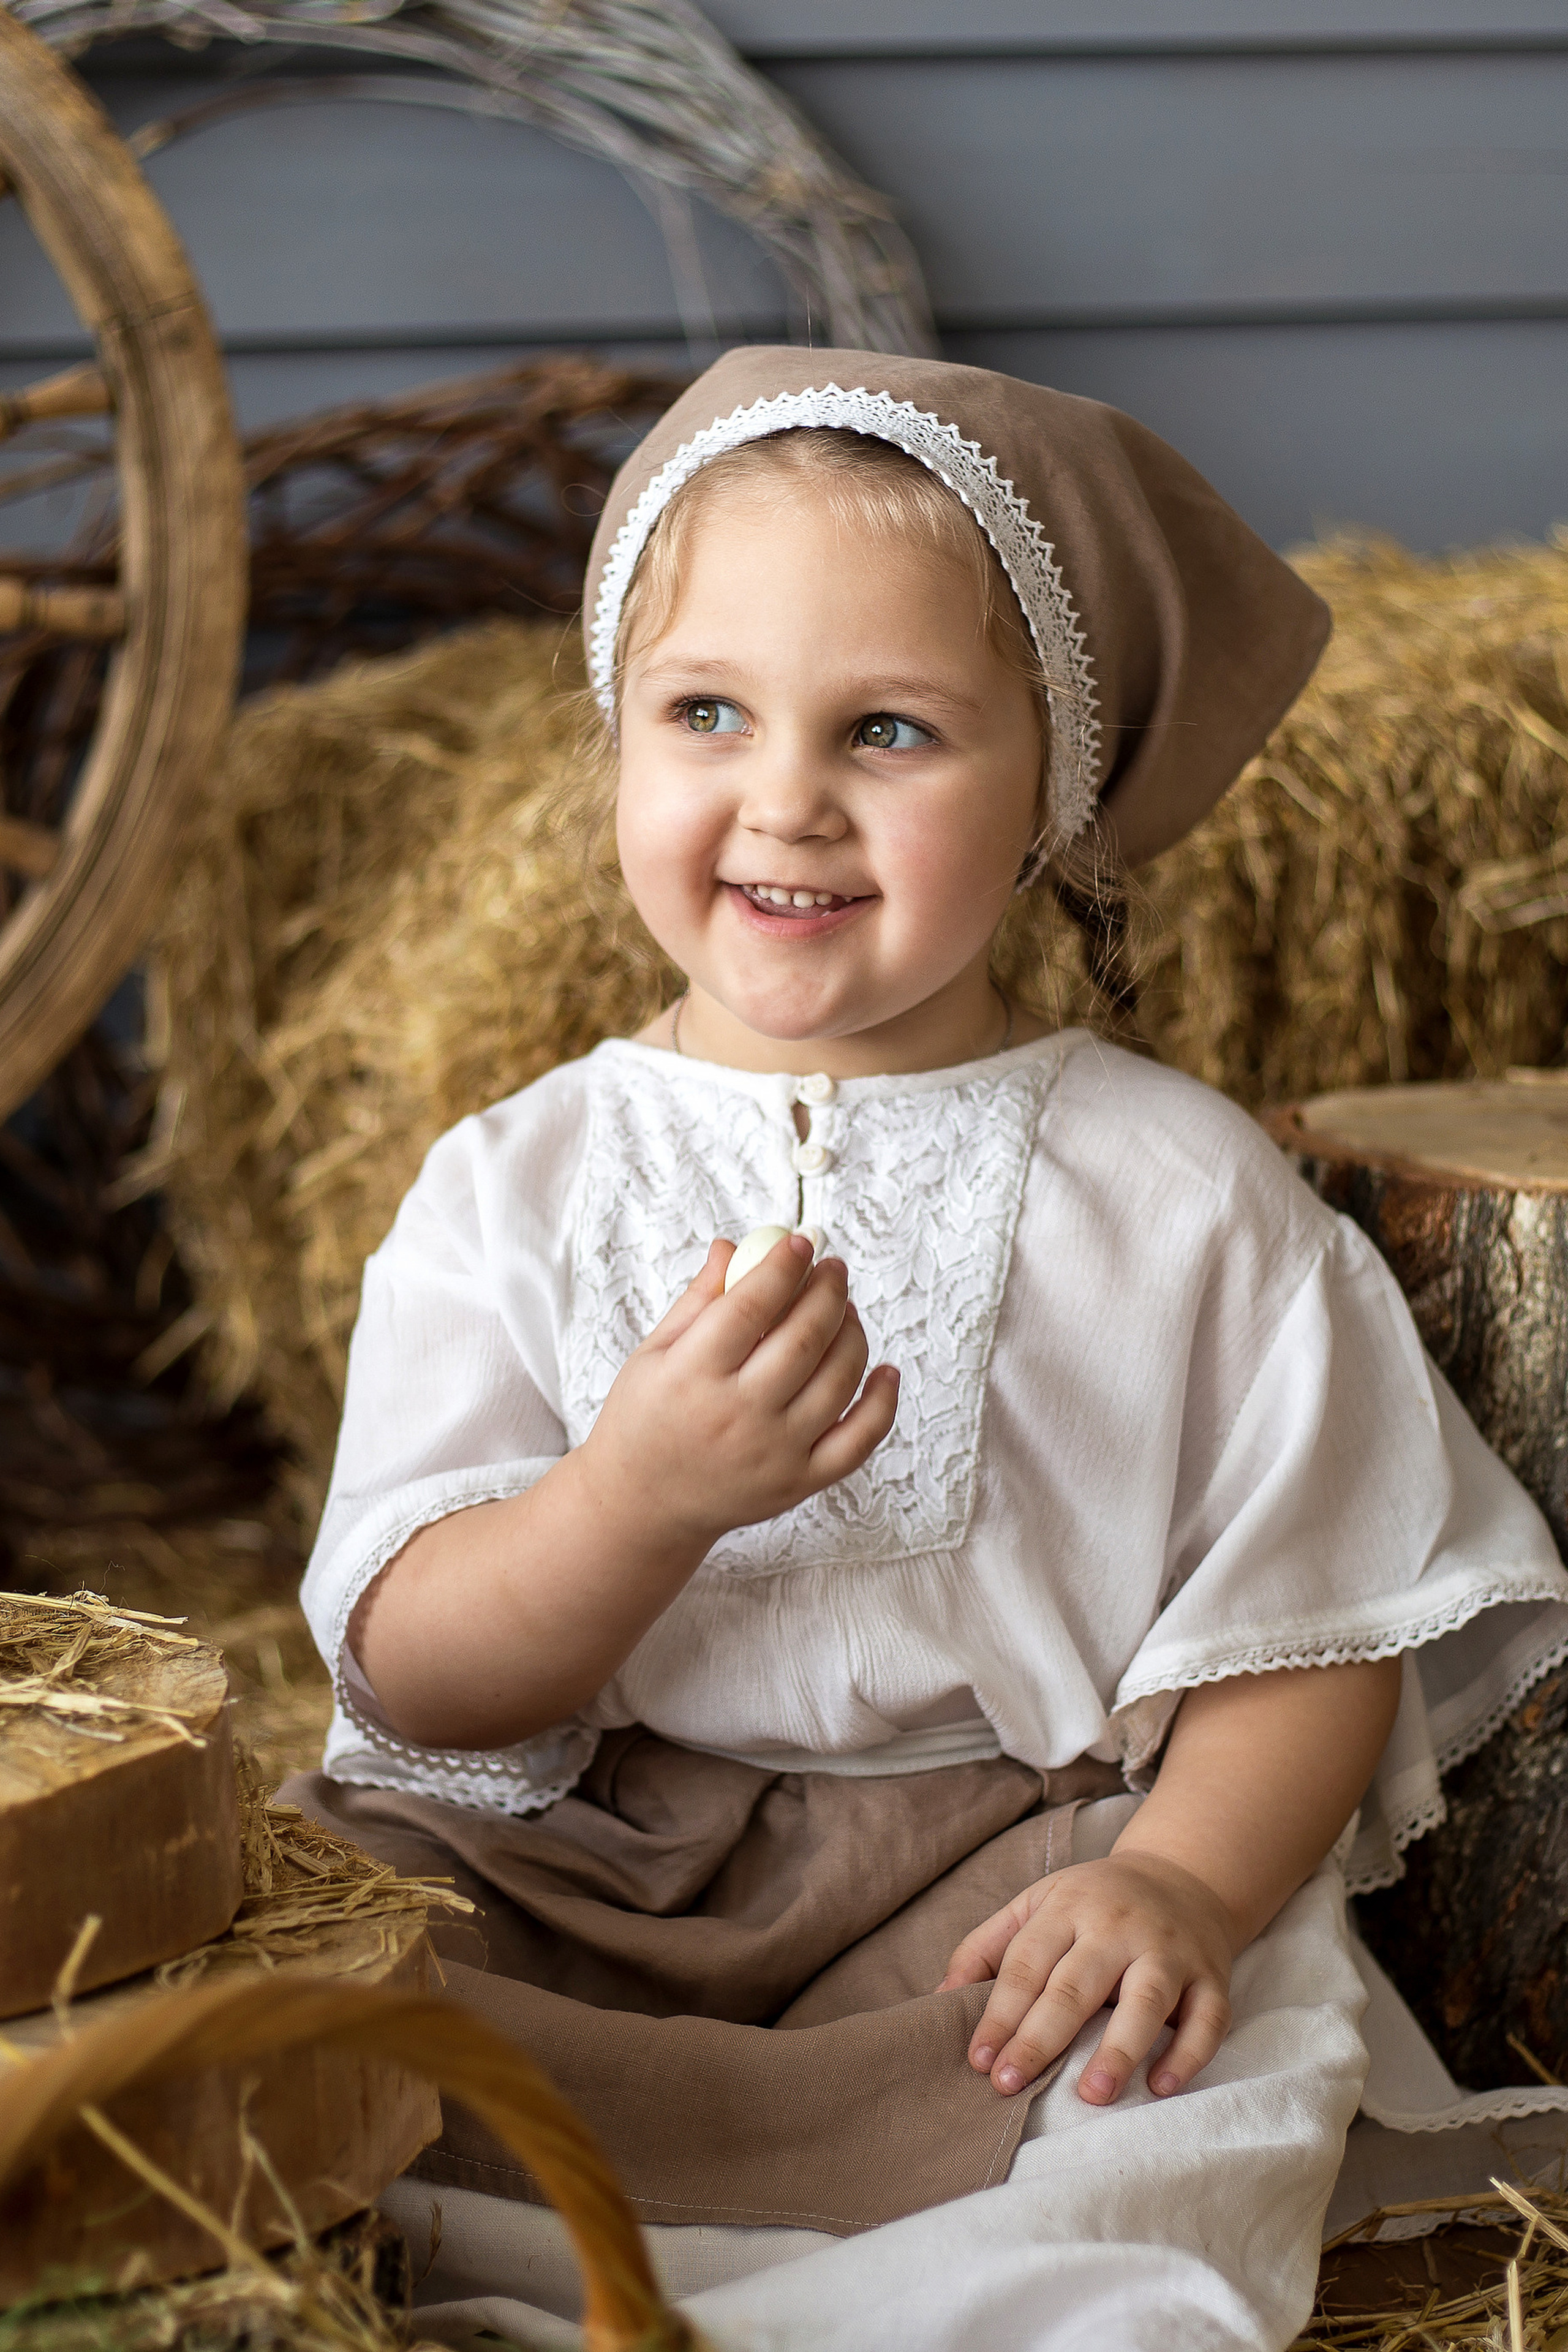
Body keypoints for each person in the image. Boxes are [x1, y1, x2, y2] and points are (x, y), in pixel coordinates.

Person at [290, 350, 1568, 2350]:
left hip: (1002, 1887)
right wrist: (629, 1504)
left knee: (1166, 2083)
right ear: (616, 740)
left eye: (887, 729)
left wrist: (1183, 1883)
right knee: (289, 2009)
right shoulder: (513, 1186)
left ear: (1052, 790)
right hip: (573, 1882)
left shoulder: (1181, 1191)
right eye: (706, 712)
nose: (785, 797)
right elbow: (419, 1674)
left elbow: (1312, 1620)